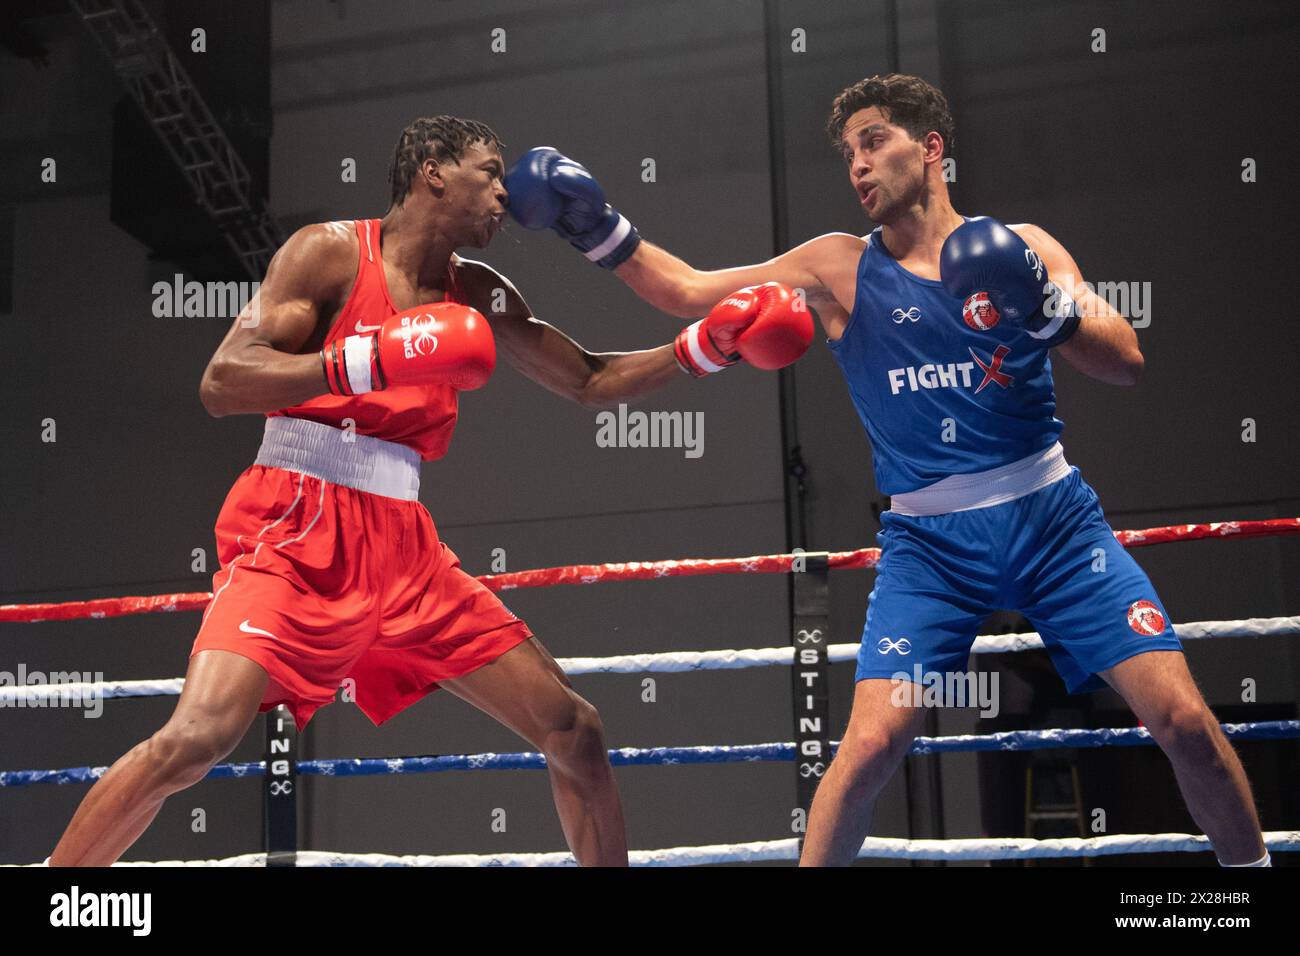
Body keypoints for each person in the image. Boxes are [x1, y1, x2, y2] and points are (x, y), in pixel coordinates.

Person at [503, 74, 1271, 867]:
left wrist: (1045, 307)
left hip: (1054, 521)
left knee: (1184, 724)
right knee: (867, 750)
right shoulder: (837, 267)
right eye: (848, 153)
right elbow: (685, 289)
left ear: (930, 147)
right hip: (930, 550)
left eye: (873, 142)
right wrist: (591, 226)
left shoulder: (1028, 248)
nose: (857, 166)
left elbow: (1127, 362)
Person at [49, 115, 808, 867]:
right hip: (296, 521)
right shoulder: (329, 255)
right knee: (198, 739)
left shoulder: (474, 289)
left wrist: (700, 349)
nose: (504, 194)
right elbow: (223, 382)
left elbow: (588, 379)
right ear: (432, 171)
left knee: (573, 728)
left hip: (404, 548)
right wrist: (363, 361)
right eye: (489, 171)